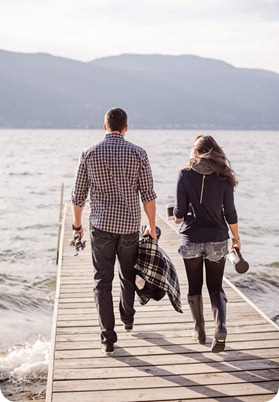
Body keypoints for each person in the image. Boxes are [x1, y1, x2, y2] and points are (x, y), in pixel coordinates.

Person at [71, 107, 157, 356]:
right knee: (127, 275)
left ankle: (107, 338)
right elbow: (148, 197)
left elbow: (78, 198)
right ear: (126, 127)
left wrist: (77, 228)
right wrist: (151, 227)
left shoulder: (88, 153)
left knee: (102, 281)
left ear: (105, 126)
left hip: (101, 227)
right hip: (130, 226)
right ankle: (128, 318)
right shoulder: (139, 153)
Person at [173, 135, 239, 353]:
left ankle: (199, 331)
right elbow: (230, 213)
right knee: (215, 287)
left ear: (197, 151)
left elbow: (180, 214)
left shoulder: (184, 174)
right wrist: (236, 239)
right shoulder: (223, 176)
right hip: (218, 239)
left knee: (194, 287)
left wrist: (176, 215)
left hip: (191, 238)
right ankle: (220, 327)